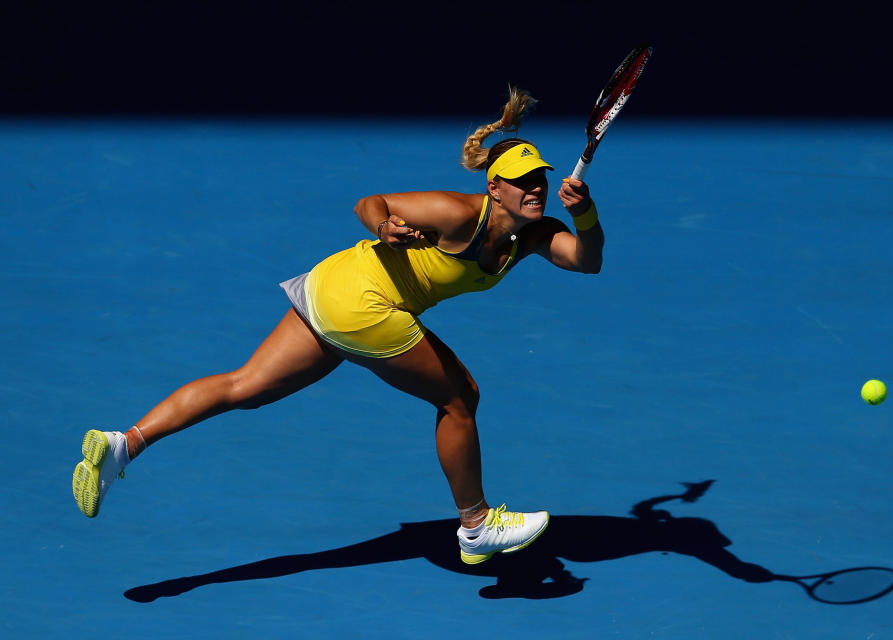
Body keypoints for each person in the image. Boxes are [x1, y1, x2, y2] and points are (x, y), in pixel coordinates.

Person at [72, 87, 604, 565]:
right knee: (459, 397)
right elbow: (369, 201)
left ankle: (122, 446)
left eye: (540, 179)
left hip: (333, 288)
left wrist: (584, 215)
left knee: (245, 386)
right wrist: (384, 225)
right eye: (521, 182)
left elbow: (586, 260)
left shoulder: (535, 235)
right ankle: (476, 525)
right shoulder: (457, 213)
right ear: (495, 188)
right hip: (364, 303)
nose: (534, 188)